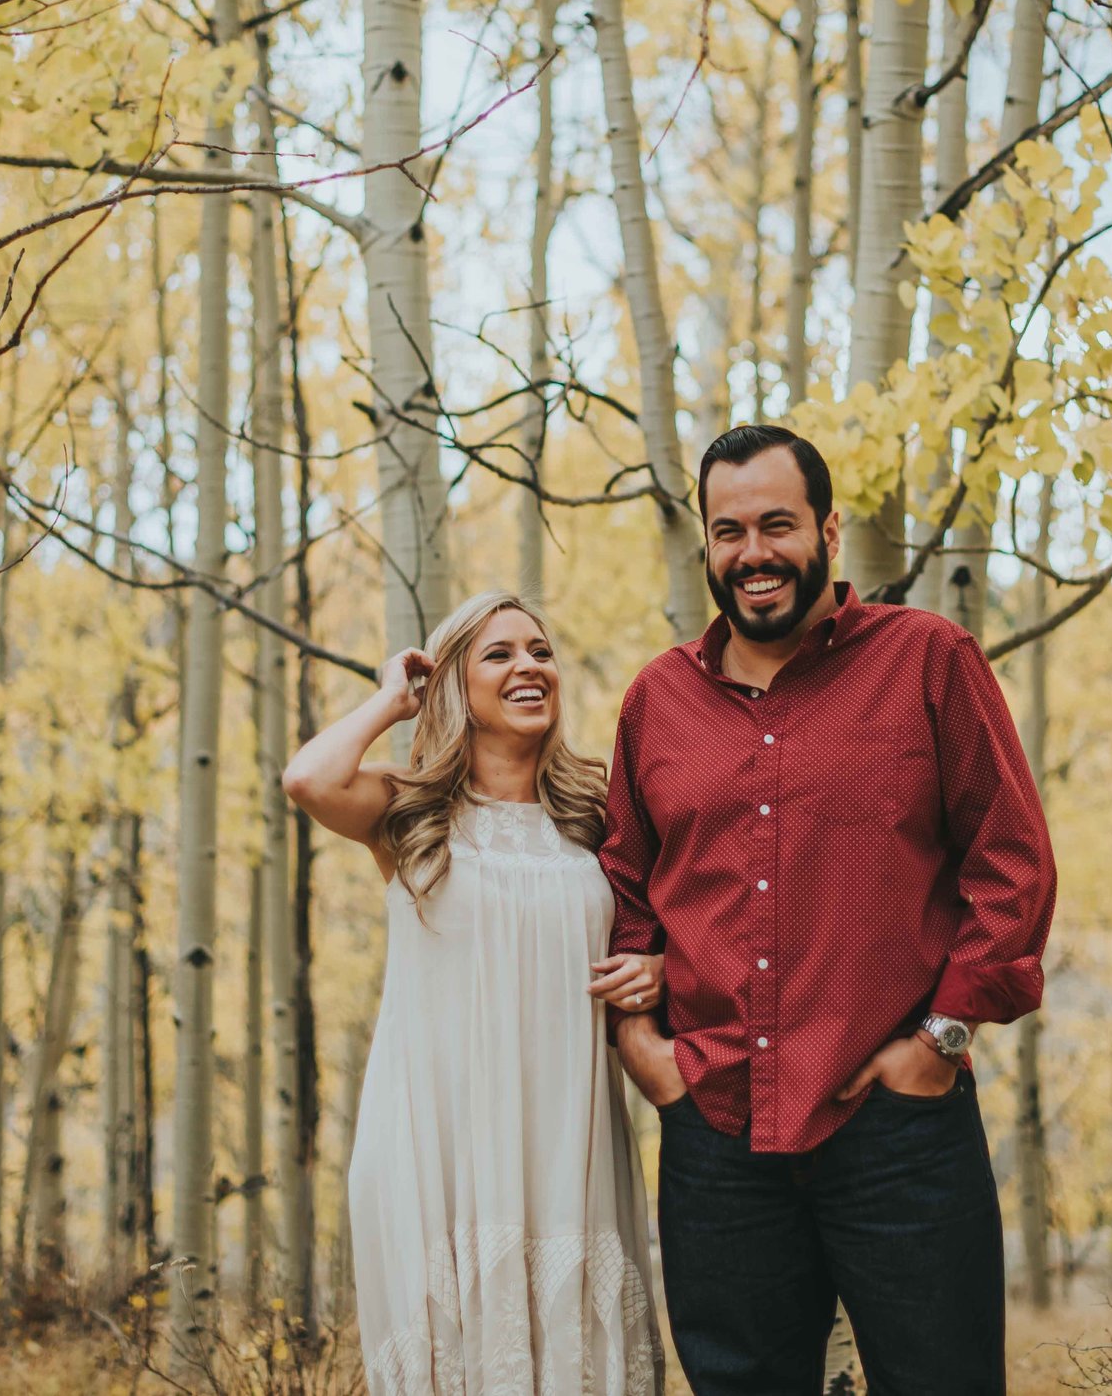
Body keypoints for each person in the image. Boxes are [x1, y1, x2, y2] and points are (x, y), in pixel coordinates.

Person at [601, 424, 1058, 1396]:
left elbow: (1010, 860)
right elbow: (625, 891)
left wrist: (940, 1037)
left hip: (896, 1123)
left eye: (777, 524)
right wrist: (646, 1050)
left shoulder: (929, 661)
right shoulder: (657, 701)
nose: (753, 553)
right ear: (708, 546)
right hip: (714, 1128)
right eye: (729, 531)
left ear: (829, 528)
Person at [282, 591, 666, 1396]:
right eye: (499, 654)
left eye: (540, 650)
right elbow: (308, 779)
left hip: (570, 1146)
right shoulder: (411, 812)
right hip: (439, 1149)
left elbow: (670, 933)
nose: (529, 666)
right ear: (456, 682)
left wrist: (658, 969)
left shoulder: (599, 819)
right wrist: (394, 697)